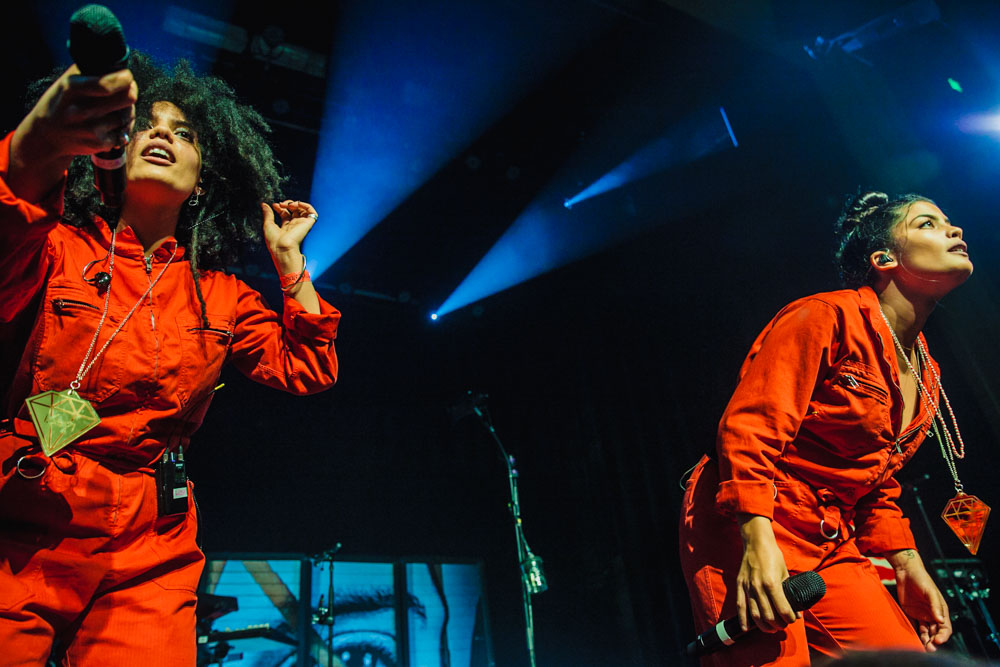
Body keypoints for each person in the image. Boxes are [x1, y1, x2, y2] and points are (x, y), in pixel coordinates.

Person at [0, 53, 341, 665]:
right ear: (109, 152)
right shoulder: (53, 245)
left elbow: (307, 369)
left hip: (149, 543)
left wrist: (289, 262)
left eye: (184, 134)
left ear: (204, 179)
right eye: (148, 125)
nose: (163, 134)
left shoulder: (220, 293)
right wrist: (41, 143)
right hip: (22, 521)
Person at [679, 191, 975, 665]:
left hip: (830, 541)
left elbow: (876, 480)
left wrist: (907, 563)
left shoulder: (927, 372)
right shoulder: (824, 315)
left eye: (949, 222)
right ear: (884, 259)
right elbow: (749, 428)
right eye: (928, 223)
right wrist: (756, 540)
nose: (954, 230)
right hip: (748, 524)